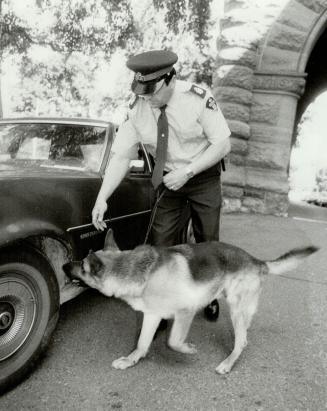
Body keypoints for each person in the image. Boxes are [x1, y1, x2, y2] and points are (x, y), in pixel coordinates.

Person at [92, 50, 231, 321]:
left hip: (202, 174)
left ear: (170, 79)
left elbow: (222, 144)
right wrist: (102, 197)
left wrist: (188, 171)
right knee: (160, 243)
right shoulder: (136, 109)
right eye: (142, 92)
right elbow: (121, 156)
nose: (147, 99)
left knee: (207, 239)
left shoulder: (198, 99)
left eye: (152, 92)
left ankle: (211, 294)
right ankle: (163, 307)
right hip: (168, 179)